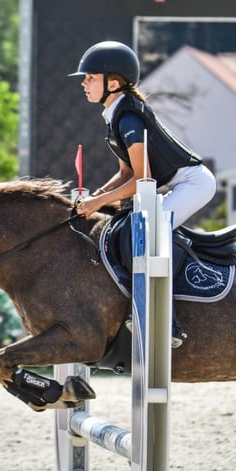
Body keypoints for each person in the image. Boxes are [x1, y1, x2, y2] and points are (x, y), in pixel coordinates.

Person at [70, 40, 217, 347]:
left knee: (150, 234)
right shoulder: (117, 116)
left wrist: (98, 201)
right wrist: (98, 195)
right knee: (130, 229)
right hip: (174, 183)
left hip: (193, 183)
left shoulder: (129, 119)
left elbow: (143, 178)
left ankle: (169, 321)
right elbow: (126, 174)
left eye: (91, 78)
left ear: (113, 82)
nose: (84, 83)